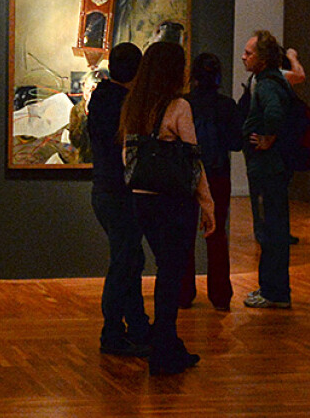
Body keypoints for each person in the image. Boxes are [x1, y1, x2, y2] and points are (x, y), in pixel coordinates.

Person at [119, 41, 215, 375]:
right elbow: (193, 161)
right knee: (172, 272)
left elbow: (127, 158)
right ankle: (164, 348)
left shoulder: (135, 104)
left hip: (142, 198)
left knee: (165, 267)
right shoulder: (178, 106)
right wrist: (208, 203)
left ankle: (169, 343)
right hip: (172, 200)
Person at [87, 43, 150, 357]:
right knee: (125, 262)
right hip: (120, 191)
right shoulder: (125, 103)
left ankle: (136, 325)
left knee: (129, 259)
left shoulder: (100, 97)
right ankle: (113, 332)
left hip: (104, 189)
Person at [180, 53, 242, 311]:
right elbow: (236, 144)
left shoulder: (184, 103)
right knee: (216, 235)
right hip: (217, 175)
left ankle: (183, 294)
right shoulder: (226, 105)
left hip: (187, 176)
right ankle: (220, 295)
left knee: (184, 235)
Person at [240, 31, 294, 308]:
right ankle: (272, 289)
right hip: (269, 167)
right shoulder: (267, 79)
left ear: (262, 58)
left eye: (249, 53)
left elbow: (274, 113)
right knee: (271, 228)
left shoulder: (267, 84)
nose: (243, 57)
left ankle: (274, 292)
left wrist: (266, 139)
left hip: (266, 168)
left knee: (269, 229)